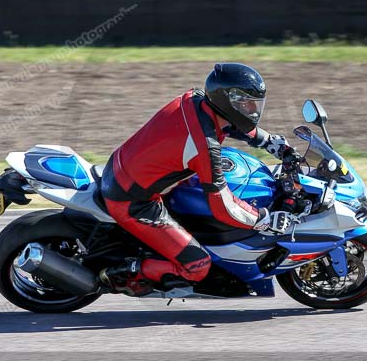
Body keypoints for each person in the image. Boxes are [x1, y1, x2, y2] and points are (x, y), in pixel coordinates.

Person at [98, 63, 297, 295]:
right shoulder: (203, 146)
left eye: (256, 103)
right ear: (227, 101)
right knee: (197, 266)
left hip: (123, 167)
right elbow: (224, 206)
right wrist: (264, 219)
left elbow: (230, 123)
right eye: (246, 103)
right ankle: (124, 271)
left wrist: (271, 142)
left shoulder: (197, 98)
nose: (253, 110)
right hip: (134, 202)